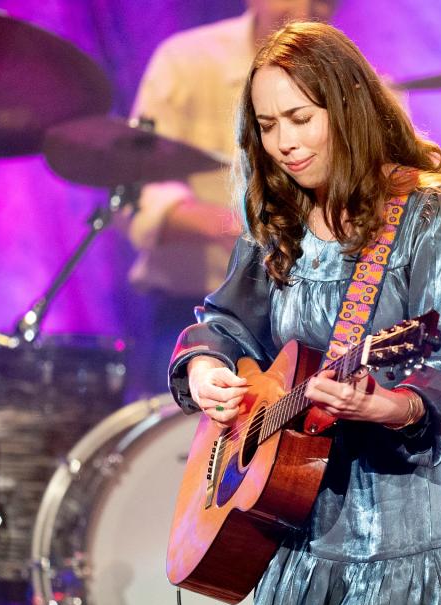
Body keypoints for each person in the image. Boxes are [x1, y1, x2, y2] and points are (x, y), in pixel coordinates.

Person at [168, 21, 441, 605]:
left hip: (419, 530)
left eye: (300, 117)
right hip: (304, 526)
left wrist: (390, 404)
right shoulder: (278, 220)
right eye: (266, 126)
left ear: (346, 109)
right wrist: (207, 367)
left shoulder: (432, 211)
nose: (283, 142)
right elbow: (224, 323)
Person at [126, 1, 336, 395]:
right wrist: (233, 227)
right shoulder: (187, 59)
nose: (301, 7)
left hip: (300, 325)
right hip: (187, 308)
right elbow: (139, 187)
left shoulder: (351, 82)